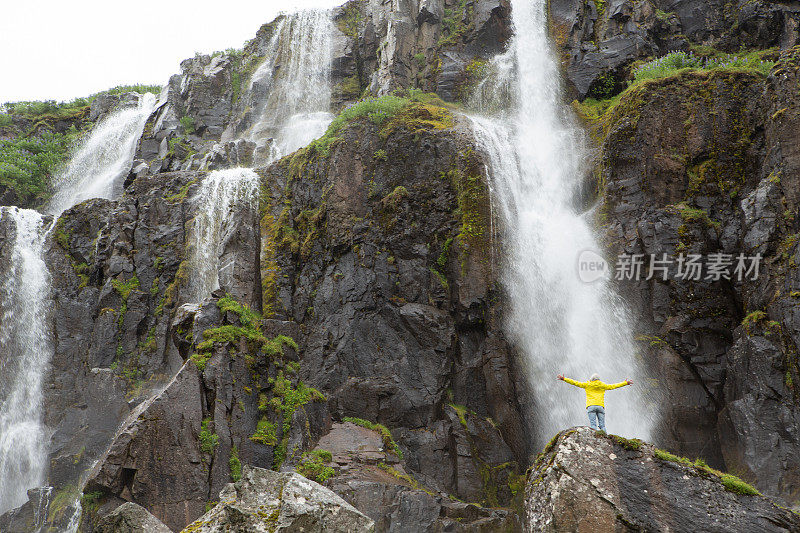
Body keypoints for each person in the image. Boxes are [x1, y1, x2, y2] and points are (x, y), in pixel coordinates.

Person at [557, 373, 633, 432]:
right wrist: (625, 383)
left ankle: (594, 440)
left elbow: (575, 382)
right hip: (600, 407)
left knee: (593, 425)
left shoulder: (587, 384)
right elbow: (614, 386)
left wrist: (564, 378)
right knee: (602, 425)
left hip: (591, 406)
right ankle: (605, 439)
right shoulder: (603, 385)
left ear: (591, 379)